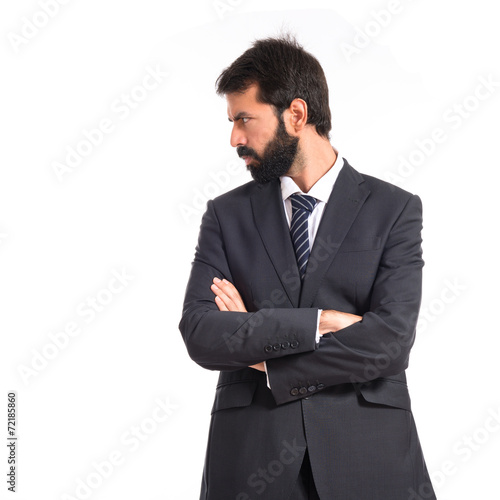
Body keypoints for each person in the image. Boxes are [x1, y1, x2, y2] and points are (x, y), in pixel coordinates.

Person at [179, 34, 436, 500]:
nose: (234, 137)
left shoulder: (394, 209)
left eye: (243, 119)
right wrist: (318, 323)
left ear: (296, 115)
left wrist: (263, 352)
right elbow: (200, 332)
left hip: (369, 457)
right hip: (251, 459)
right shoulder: (226, 215)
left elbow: (390, 342)